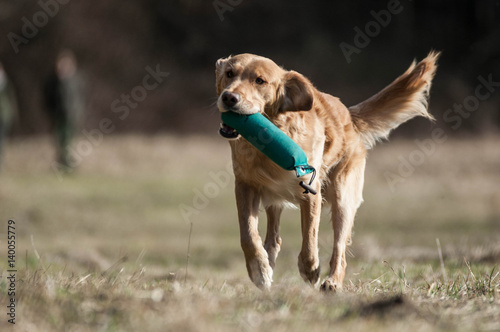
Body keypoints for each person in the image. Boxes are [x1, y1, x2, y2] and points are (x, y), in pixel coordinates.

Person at [43, 50, 83, 170]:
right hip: (57, 115)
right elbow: (48, 99)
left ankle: (67, 164)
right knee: (59, 141)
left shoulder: (75, 80)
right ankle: (63, 164)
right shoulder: (52, 82)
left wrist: (77, 113)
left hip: (71, 116)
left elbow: (79, 99)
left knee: (68, 141)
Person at [0, 63, 17, 167]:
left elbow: (12, 99)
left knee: (1, 138)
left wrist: (13, 115)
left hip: (4, 116)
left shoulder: (6, 83)